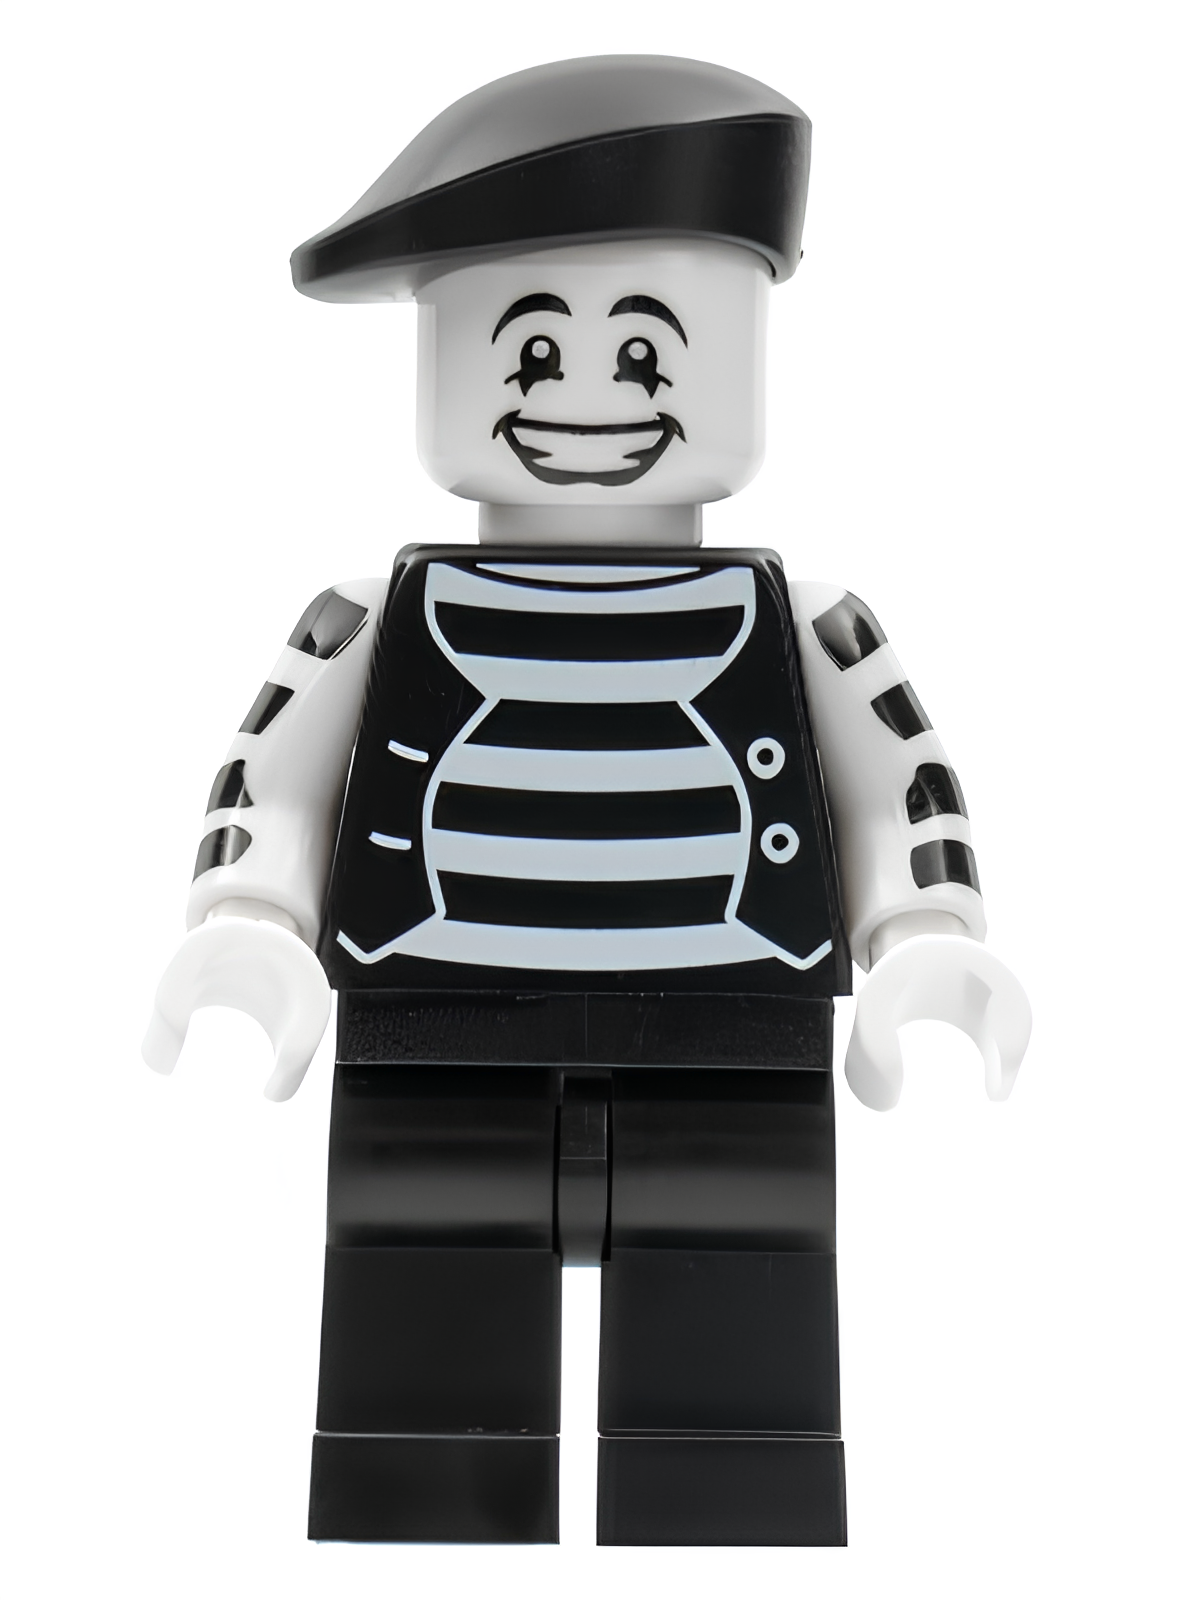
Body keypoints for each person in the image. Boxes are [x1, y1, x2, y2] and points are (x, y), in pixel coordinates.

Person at [145, 54, 1031, 1547]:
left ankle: (721, 1518)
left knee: (736, 1317)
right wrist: (248, 920)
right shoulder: (370, 617)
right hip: (433, 1019)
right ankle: (428, 1511)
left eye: (647, 349)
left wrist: (926, 941)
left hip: (734, 1024)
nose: (585, 397)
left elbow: (903, 795)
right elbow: (269, 781)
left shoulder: (811, 625)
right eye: (533, 346)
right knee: (423, 1302)